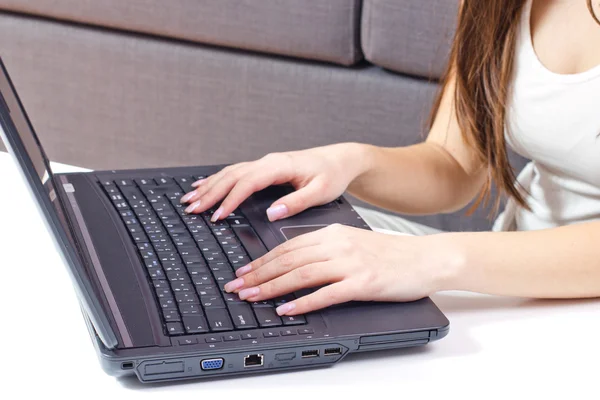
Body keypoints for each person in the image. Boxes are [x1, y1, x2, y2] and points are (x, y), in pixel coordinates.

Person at [181, 0, 600, 317]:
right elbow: (454, 164)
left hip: (562, 300)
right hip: (507, 269)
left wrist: (430, 260)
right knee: (248, 253)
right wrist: (350, 161)